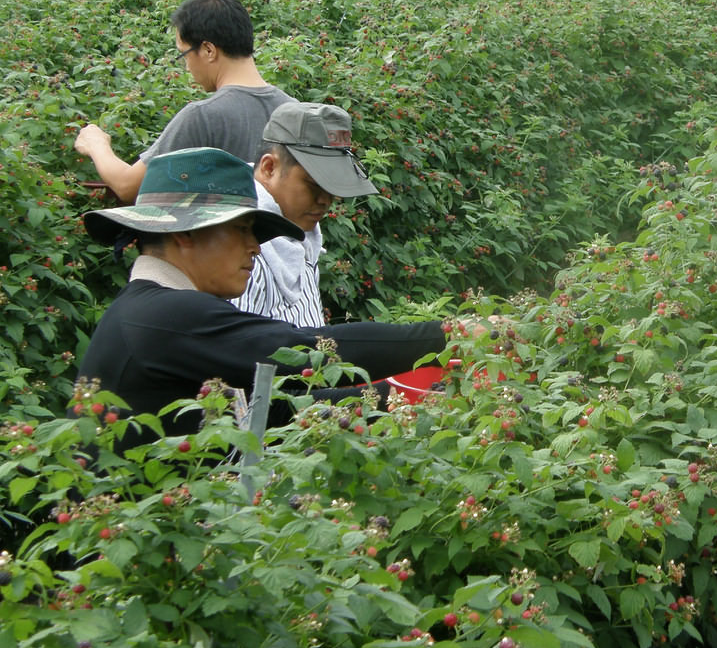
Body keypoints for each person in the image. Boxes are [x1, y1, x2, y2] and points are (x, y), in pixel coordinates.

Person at [77, 146, 449, 438]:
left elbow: (263, 411)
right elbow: (302, 349)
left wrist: (396, 395)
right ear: (184, 232)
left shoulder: (146, 308)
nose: (255, 247)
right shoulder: (168, 314)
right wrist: (451, 337)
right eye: (243, 230)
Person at [75, 0, 294, 204]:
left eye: (184, 54)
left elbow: (128, 187)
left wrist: (96, 145)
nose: (186, 66)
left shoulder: (204, 116)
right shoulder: (294, 110)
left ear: (208, 50)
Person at [232, 102, 378, 326]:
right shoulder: (242, 249)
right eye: (313, 185)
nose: (324, 201)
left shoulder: (300, 235)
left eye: (332, 188)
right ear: (269, 167)